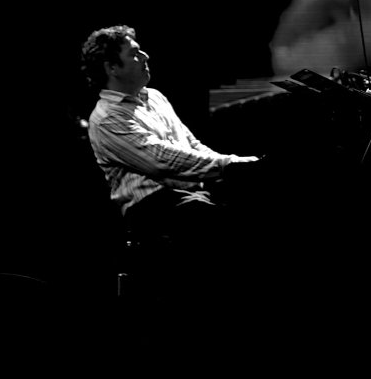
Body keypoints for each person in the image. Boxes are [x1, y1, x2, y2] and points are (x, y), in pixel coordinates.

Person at [80, 25, 262, 290]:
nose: (145, 56)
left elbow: (192, 146)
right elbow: (162, 160)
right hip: (153, 208)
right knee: (220, 228)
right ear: (112, 68)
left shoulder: (155, 97)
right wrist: (232, 165)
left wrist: (239, 165)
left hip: (191, 195)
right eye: (134, 53)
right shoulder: (107, 118)